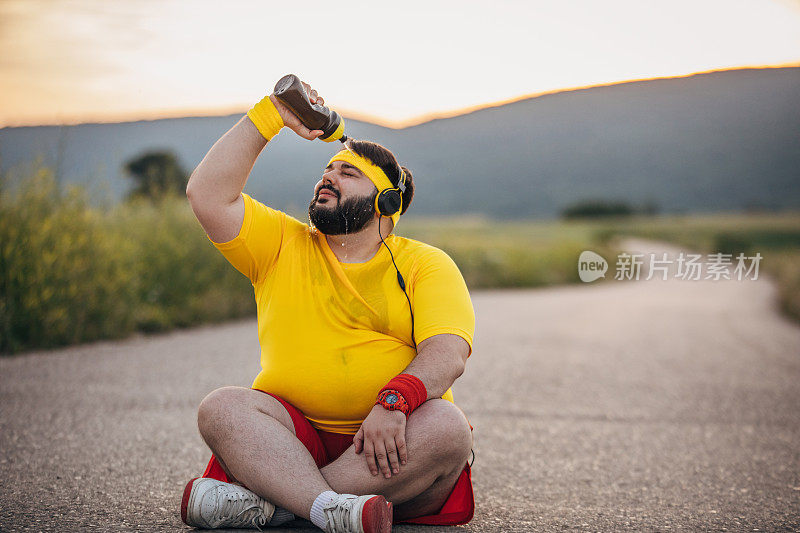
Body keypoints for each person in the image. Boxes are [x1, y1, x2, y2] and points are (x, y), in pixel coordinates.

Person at [180, 79, 475, 533]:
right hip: (289, 442)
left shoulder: (426, 264)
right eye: (328, 170)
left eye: (348, 174)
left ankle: (280, 506)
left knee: (448, 428)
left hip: (393, 446)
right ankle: (326, 509)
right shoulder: (281, 243)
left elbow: (447, 354)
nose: (328, 177)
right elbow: (207, 194)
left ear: (386, 203)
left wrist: (394, 404)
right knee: (221, 408)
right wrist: (272, 113)